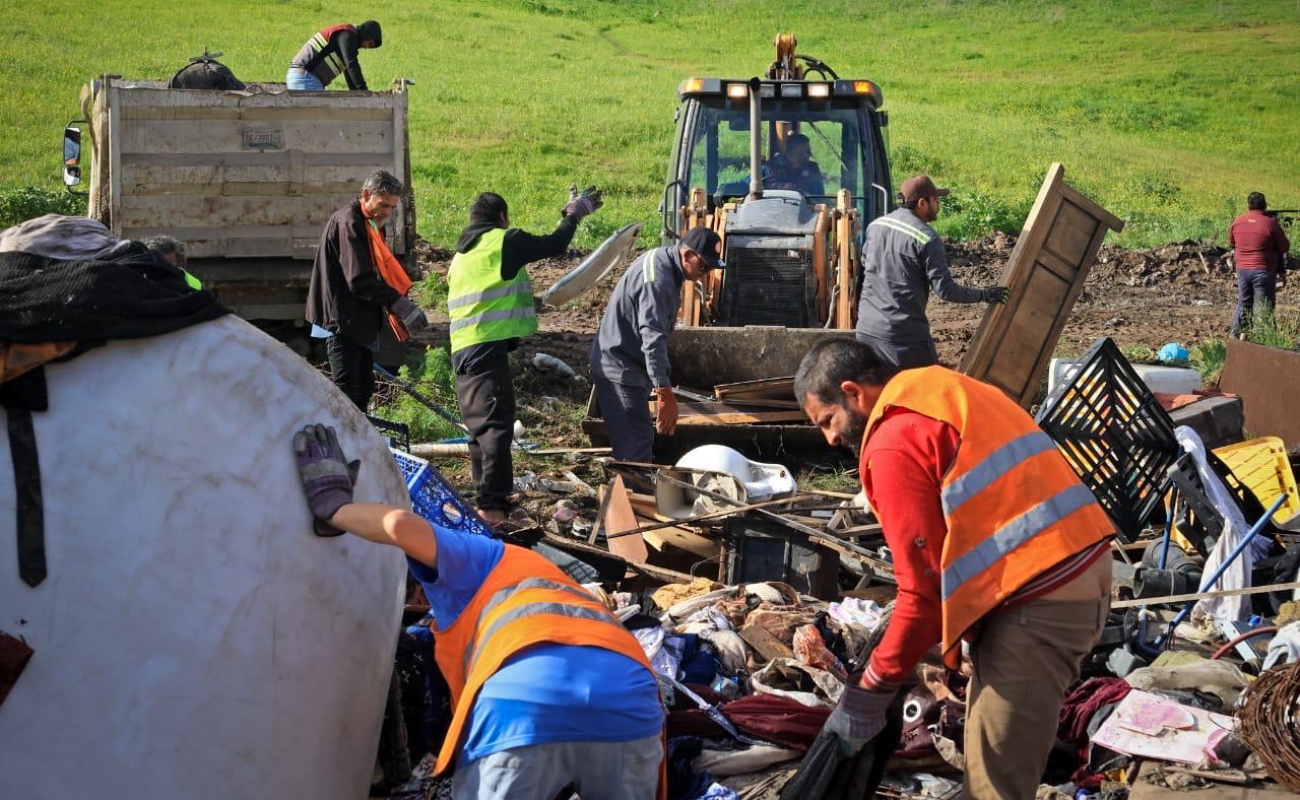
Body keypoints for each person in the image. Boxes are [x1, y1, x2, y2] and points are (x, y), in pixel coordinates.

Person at [793, 338, 1113, 800]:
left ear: (853, 392)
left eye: (829, 421)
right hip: (1079, 571)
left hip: (1039, 600)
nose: (830, 438)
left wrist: (873, 689)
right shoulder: (942, 389)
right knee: (987, 767)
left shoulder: (892, 442)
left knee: (993, 788)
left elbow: (921, 595)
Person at [291, 424, 665, 800]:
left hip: (525, 702)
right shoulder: (542, 577)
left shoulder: (482, 556)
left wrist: (337, 510)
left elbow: (402, 525)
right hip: (630, 695)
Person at [447, 188, 601, 527]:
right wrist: (573, 215)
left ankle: (487, 501)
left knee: (480, 430)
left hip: (463, 349)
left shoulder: (462, 254)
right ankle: (494, 511)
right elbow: (554, 245)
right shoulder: (502, 241)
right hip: (487, 348)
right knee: (497, 429)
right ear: (502, 217)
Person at [590, 226, 724, 462]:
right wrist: (664, 392)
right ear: (686, 255)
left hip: (627, 363)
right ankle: (635, 495)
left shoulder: (666, 264)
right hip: (620, 367)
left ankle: (632, 491)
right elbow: (653, 339)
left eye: (711, 268)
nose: (706, 273)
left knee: (635, 441)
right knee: (635, 446)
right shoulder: (659, 280)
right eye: (704, 267)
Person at [855, 175, 1008, 369]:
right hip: (903, 338)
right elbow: (946, 291)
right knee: (929, 390)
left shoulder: (875, 226)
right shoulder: (926, 238)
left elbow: (865, 266)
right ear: (922, 203)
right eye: (935, 200)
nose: (938, 205)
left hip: (866, 330)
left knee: (879, 392)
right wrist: (985, 294)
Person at [306, 170, 426, 412]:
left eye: (392, 208)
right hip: (342, 321)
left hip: (358, 320)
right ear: (366, 194)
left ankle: (357, 443)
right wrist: (399, 304)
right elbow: (359, 279)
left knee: (363, 388)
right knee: (347, 392)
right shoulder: (350, 223)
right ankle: (345, 444)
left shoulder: (369, 224)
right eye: (383, 205)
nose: (387, 213)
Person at [1228, 191, 1290, 337]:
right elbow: (1284, 247)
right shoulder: (1270, 223)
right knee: (1263, 305)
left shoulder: (1237, 222)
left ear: (1248, 205)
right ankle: (1264, 338)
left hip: (1242, 269)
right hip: (1263, 270)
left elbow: (1231, 243)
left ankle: (1235, 335)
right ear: (1264, 205)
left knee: (1244, 301)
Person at [287, 20, 382, 91]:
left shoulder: (346, 39)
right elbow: (352, 65)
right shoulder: (347, 35)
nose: (366, 48)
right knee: (322, 117)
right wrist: (365, 93)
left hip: (303, 77)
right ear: (366, 35)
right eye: (369, 44)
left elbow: (349, 73)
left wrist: (357, 94)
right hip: (306, 78)